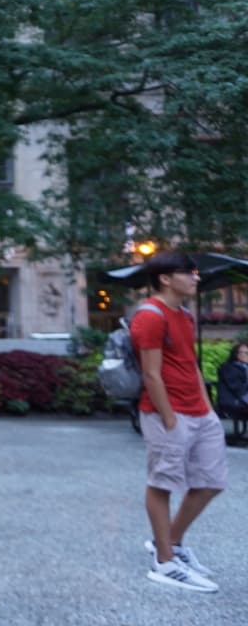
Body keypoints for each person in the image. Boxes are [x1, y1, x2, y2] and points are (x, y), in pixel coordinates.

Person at [131, 252, 227, 593]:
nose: (195, 278)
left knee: (211, 482)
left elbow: (191, 364)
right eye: (189, 273)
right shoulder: (150, 316)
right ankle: (165, 562)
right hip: (167, 414)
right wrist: (169, 418)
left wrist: (207, 407)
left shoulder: (184, 316)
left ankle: (169, 543)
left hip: (199, 412)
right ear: (165, 279)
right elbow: (151, 374)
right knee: (162, 484)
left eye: (196, 273)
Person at [217, 342, 248, 416]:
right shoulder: (228, 369)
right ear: (237, 354)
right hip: (233, 403)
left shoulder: (244, 368)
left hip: (243, 402)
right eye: (246, 353)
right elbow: (238, 389)